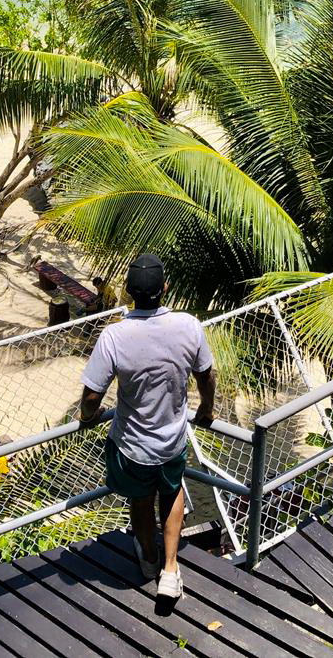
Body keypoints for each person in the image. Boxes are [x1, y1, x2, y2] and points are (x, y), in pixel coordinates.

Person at [77, 253, 217, 601]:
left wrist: (85, 418)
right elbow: (206, 376)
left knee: (141, 501)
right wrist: (207, 409)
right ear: (165, 288)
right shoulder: (188, 325)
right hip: (173, 439)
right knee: (172, 494)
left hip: (133, 445)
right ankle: (171, 570)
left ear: (128, 291)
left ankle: (150, 559)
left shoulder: (115, 336)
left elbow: (93, 396)